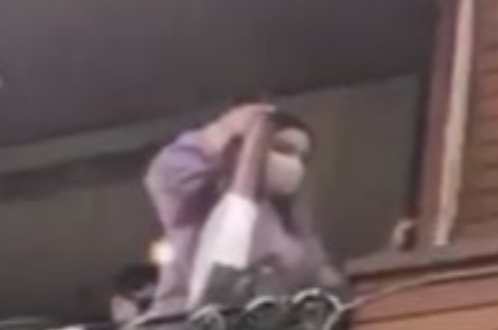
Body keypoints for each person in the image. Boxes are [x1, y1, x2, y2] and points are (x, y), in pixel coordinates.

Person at [144, 104, 347, 316]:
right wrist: (222, 130)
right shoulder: (200, 199)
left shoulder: (293, 225)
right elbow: (166, 174)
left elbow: (319, 275)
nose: (294, 164)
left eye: (302, 158)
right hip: (185, 324)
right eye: (282, 149)